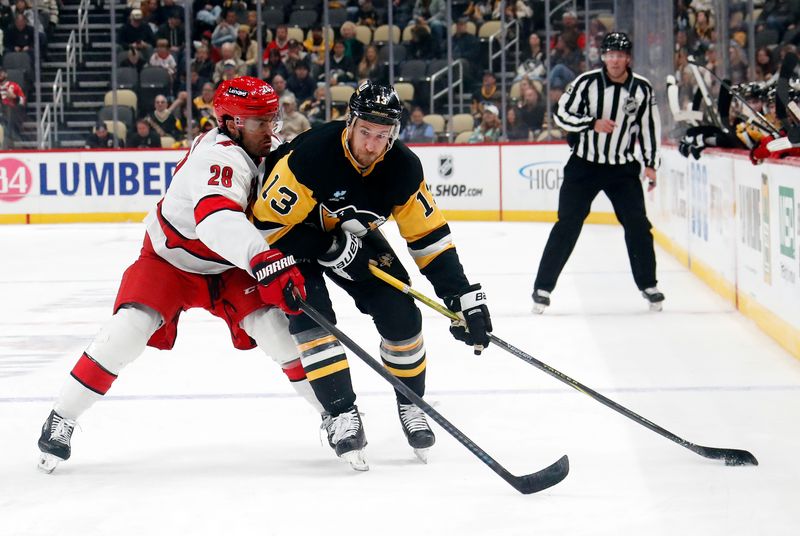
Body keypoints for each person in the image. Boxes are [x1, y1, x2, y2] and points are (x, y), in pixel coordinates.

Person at [37, 77, 319, 473]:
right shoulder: (219, 157)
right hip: (172, 262)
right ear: (231, 123)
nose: (269, 131)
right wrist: (265, 260)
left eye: (271, 119)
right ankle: (62, 416)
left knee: (274, 329)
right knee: (129, 329)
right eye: (259, 122)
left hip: (227, 267)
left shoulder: (261, 150)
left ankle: (334, 412)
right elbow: (217, 221)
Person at [249, 81, 492, 470]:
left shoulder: (403, 167)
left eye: (383, 135)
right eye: (365, 132)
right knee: (312, 317)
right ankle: (341, 413)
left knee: (402, 313)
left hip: (353, 234)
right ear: (351, 122)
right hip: (291, 240)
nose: (372, 145)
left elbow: (429, 238)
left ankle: (411, 403)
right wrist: (331, 250)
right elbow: (267, 227)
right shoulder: (312, 156)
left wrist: (461, 297)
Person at [532, 32, 664, 313]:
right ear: (603, 56)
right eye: (610, 54)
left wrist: (651, 164)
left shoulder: (642, 89)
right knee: (567, 224)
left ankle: (648, 284)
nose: (615, 60)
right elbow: (562, 114)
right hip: (584, 165)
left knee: (638, 225)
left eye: (620, 55)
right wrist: (591, 123)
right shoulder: (586, 82)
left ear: (628, 58)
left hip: (622, 168)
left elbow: (650, 128)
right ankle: (542, 288)